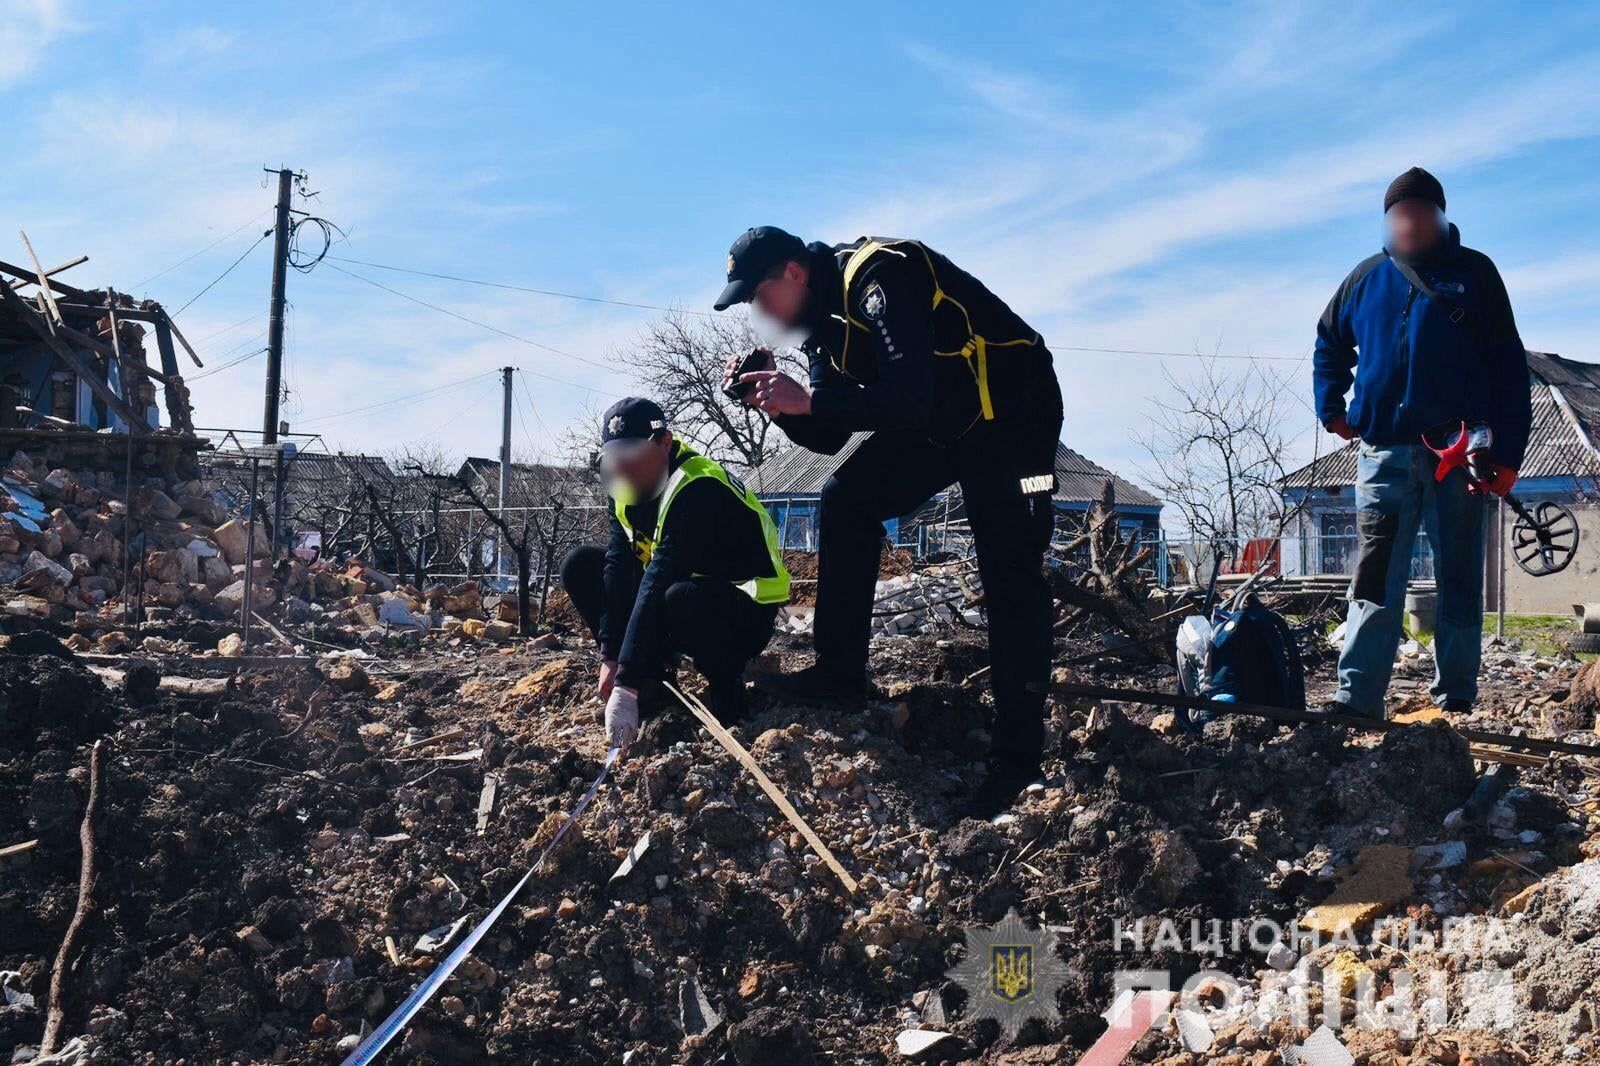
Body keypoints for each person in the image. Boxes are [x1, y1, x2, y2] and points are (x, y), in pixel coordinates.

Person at [712, 226, 1063, 818]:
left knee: (1011, 574)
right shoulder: (823, 324)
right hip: (945, 422)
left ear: (793, 274)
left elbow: (906, 398)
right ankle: (840, 674)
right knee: (845, 498)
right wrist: (775, 403)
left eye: (760, 296)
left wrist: (811, 400)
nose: (761, 312)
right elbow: (829, 432)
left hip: (1013, 410)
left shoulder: (880, 276)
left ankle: (1017, 759)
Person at [1313, 167, 1530, 719]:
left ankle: (1456, 694)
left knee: (1458, 572)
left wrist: (1508, 456)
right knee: (1374, 577)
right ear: (1389, 221)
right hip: (1382, 455)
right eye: (1399, 214)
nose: (1409, 223)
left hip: (1459, 458)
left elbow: (1509, 367)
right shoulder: (1366, 278)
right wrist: (1331, 408)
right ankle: (1356, 698)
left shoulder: (1475, 274)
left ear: (1439, 216)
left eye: (1419, 212)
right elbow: (1329, 342)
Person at [559, 397, 790, 749]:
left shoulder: (698, 486)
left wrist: (625, 681)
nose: (625, 471)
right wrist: (611, 654)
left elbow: (659, 578)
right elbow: (620, 567)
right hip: (680, 595)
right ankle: (654, 684)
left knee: (678, 597)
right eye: (616, 460)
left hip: (741, 612)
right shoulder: (623, 485)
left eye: (635, 457)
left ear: (665, 443)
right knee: (580, 565)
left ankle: (728, 694)